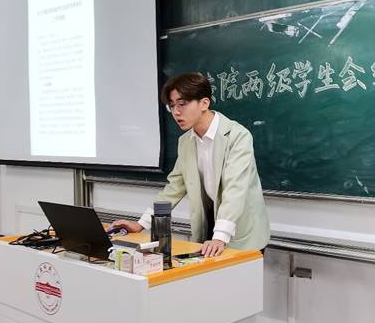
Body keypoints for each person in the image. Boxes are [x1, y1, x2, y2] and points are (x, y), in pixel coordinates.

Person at [111, 72, 270, 257]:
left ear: (204, 103)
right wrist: (142, 224)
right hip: (209, 229)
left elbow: (235, 190)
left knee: (238, 277)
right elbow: (174, 188)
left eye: (182, 104)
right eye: (172, 106)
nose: (176, 112)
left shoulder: (238, 136)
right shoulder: (186, 141)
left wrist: (220, 237)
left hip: (241, 231)